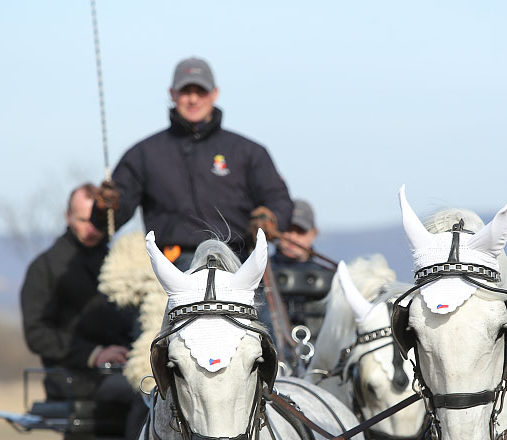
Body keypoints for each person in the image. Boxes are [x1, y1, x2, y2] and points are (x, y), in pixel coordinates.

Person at [91, 57, 293, 269]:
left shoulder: (249, 152)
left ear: (215, 94)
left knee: (264, 302)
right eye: (186, 92)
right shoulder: (143, 154)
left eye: (201, 92)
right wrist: (104, 207)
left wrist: (271, 218)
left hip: (238, 264)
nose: (193, 99)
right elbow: (108, 223)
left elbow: (280, 201)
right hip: (174, 268)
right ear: (172, 94)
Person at [20, 183, 138, 406]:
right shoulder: (45, 267)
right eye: (84, 220)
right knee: (143, 394)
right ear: (68, 216)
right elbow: (37, 333)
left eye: (97, 220)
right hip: (75, 378)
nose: (92, 229)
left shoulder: (119, 263)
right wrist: (94, 355)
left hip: (122, 369)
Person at [270, 199, 332, 338]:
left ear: (314, 234)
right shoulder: (262, 274)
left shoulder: (329, 277)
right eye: (287, 230)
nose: (293, 238)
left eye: (300, 231)